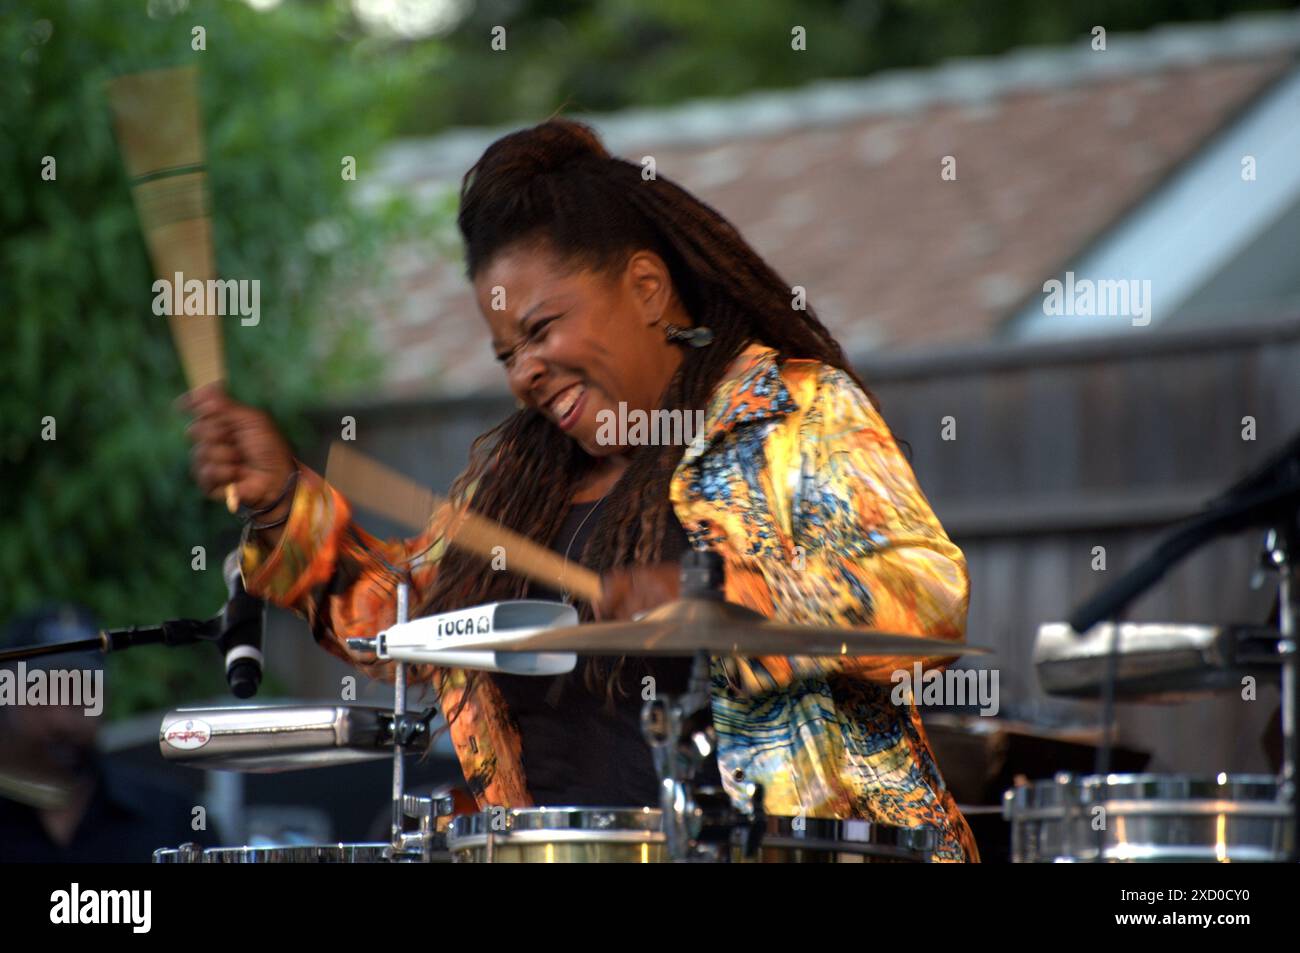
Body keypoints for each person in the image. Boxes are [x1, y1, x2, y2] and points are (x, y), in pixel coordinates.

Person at [185, 118, 979, 861]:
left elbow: (925, 595)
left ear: (645, 288)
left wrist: (727, 601)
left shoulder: (791, 411)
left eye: (540, 330)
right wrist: (282, 503)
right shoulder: (518, 485)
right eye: (506, 354)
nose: (525, 369)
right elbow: (403, 627)